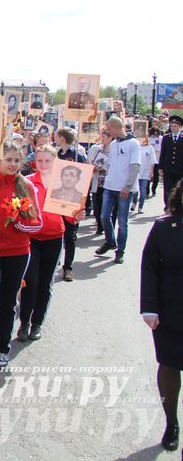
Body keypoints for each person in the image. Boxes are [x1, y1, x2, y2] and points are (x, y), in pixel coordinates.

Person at [0, 141, 41, 372]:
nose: (12, 164)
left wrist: (20, 222)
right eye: (8, 160)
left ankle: (2, 348)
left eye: (17, 160)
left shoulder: (27, 186)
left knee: (8, 302)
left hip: (17, 252)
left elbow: (37, 223)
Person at [18, 145, 84, 340]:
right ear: (34, 162)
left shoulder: (63, 183)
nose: (43, 164)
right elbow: (18, 210)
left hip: (54, 238)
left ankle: (37, 323)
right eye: (40, 160)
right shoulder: (27, 182)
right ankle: (24, 322)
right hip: (31, 239)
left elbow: (71, 218)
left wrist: (77, 214)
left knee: (45, 283)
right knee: (30, 282)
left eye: (48, 160)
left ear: (55, 162)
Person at [141, 181, 183, 452]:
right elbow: (150, 267)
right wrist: (149, 308)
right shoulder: (164, 227)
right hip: (170, 311)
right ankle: (172, 422)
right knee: (170, 366)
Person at [95, 116, 141, 264]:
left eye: (108, 128)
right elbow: (110, 164)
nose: (107, 131)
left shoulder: (133, 144)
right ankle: (110, 241)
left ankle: (120, 250)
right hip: (110, 186)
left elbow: (135, 167)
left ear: (115, 128)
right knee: (103, 216)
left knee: (122, 221)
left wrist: (127, 186)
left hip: (123, 189)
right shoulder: (114, 144)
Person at [158, 115, 183, 206]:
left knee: (178, 189)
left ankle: (177, 209)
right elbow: (163, 153)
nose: (173, 128)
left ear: (179, 127)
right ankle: (167, 208)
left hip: (180, 169)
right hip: (168, 169)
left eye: (175, 126)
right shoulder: (166, 138)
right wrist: (160, 168)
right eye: (171, 126)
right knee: (167, 190)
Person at [134, 134, 158, 214]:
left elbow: (153, 161)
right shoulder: (136, 147)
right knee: (135, 190)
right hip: (136, 171)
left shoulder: (150, 148)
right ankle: (134, 203)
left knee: (143, 190)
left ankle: (140, 207)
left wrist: (151, 172)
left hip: (145, 172)